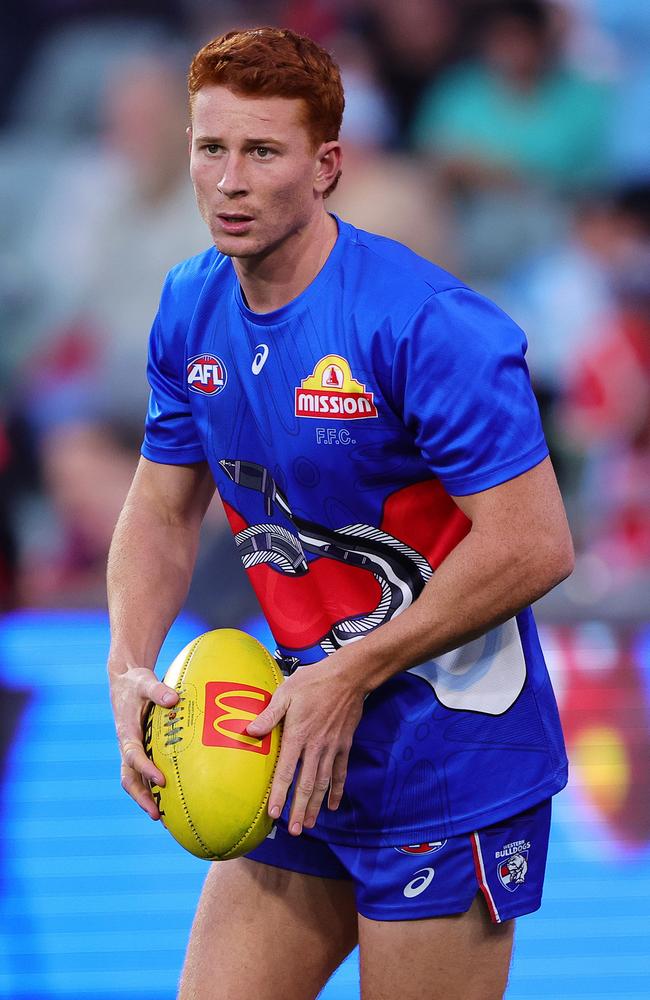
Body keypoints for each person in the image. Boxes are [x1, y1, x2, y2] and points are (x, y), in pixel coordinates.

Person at [107, 27, 574, 1000]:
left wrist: (352, 671)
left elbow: (534, 544)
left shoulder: (422, 324)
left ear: (326, 167)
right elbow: (159, 506)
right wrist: (128, 664)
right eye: (210, 147)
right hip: (295, 739)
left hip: (448, 757)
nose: (228, 181)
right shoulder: (189, 307)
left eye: (262, 152)